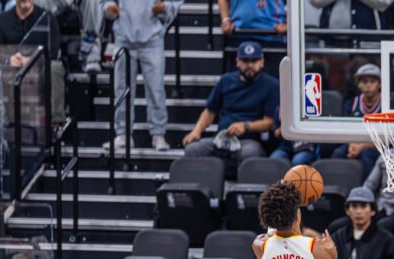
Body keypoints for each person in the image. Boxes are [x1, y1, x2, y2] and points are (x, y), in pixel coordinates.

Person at [100, 0, 179, 152]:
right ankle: (122, 134)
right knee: (121, 89)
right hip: (123, 38)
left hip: (153, 38)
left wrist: (164, 8)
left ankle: (158, 133)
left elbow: (174, 3)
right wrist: (109, 9)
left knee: (155, 88)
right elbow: (104, 3)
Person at [182, 41, 280, 161]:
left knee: (250, 152)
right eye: (245, 61)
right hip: (221, 139)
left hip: (249, 141)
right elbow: (210, 111)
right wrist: (196, 132)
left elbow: (269, 122)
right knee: (193, 149)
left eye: (254, 61)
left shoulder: (272, 85)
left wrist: (246, 126)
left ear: (262, 62)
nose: (249, 65)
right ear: (237, 61)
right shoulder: (226, 80)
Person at [329, 187, 394, 259]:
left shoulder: (386, 240)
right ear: (347, 211)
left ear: (373, 211)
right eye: (354, 206)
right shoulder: (338, 237)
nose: (358, 211)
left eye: (363, 206)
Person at [330, 63, 382, 178]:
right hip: (353, 142)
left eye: (372, 81)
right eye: (364, 82)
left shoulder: (388, 105)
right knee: (338, 153)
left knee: (366, 155)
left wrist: (362, 146)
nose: (368, 85)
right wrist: (352, 144)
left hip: (375, 146)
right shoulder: (351, 104)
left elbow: (388, 138)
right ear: (358, 84)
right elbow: (344, 129)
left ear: (379, 84)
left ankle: (368, 190)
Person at [0, 0, 61, 68]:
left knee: (54, 66)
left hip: (39, 69)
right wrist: (9, 59)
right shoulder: (2, 19)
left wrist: (31, 60)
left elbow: (53, 53)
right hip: (10, 69)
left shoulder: (48, 18)